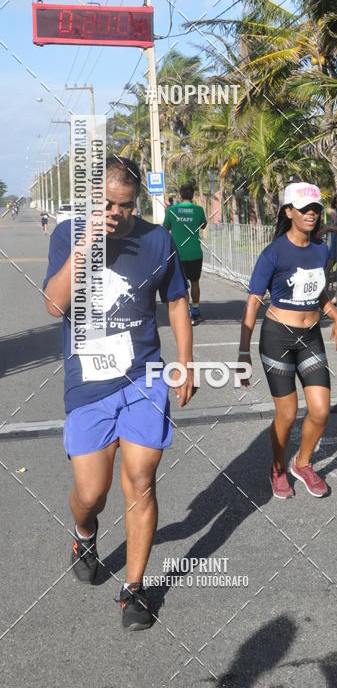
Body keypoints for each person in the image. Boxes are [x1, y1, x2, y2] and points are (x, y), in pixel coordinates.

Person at [43, 156, 194, 631]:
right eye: (107, 204)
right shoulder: (68, 234)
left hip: (144, 375)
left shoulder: (158, 239)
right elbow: (54, 304)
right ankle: (84, 532)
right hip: (88, 380)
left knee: (141, 479)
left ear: (137, 202)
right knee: (91, 493)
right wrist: (87, 243)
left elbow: (176, 301)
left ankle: (134, 588)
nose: (117, 213)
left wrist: (185, 362)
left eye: (125, 205)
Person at [238, 181, 337, 500]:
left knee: (321, 411)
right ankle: (277, 468)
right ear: (289, 212)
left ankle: (302, 463)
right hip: (278, 339)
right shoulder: (273, 253)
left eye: (316, 208)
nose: (311, 213)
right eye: (304, 209)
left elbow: (318, 291)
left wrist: (335, 314)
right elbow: (253, 301)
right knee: (286, 415)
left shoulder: (320, 249)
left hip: (310, 337)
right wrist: (243, 352)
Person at [163, 183, 207, 324]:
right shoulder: (198, 210)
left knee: (182, 285)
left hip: (178, 254)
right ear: (193, 195)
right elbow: (203, 225)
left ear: (180, 195)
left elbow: (165, 228)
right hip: (195, 253)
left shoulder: (172, 210)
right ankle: (196, 311)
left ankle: (187, 313)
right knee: (195, 282)